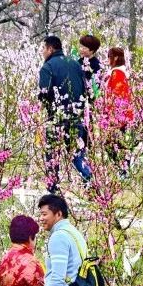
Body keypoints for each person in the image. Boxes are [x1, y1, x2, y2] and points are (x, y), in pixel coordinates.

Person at [38, 35, 92, 193]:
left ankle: (52, 188)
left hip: (56, 118)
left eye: (43, 49)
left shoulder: (47, 67)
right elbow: (86, 90)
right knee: (77, 154)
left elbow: (44, 92)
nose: (42, 52)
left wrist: (48, 106)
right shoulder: (75, 64)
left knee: (52, 154)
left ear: (50, 49)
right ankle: (89, 179)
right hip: (77, 116)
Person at [105, 47, 134, 175]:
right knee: (119, 144)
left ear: (115, 58)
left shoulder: (117, 73)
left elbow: (116, 96)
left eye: (109, 56)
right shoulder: (121, 73)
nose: (107, 59)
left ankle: (122, 170)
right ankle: (123, 169)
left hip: (117, 116)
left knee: (112, 144)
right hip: (122, 116)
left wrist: (112, 116)